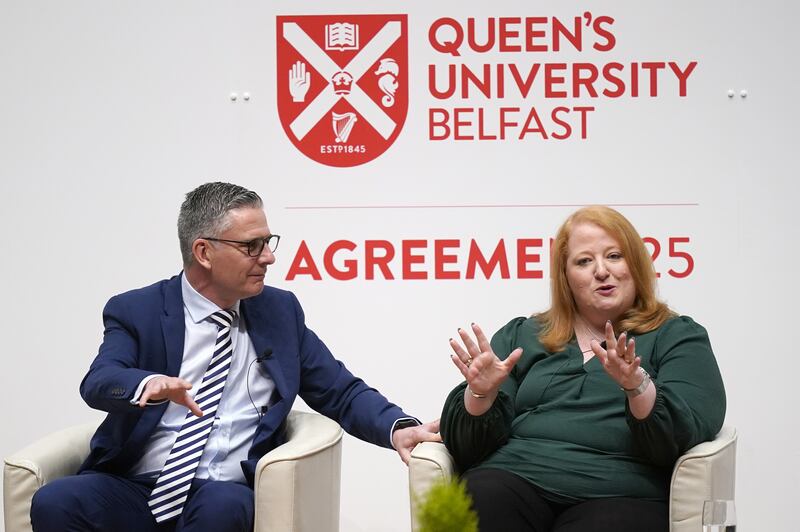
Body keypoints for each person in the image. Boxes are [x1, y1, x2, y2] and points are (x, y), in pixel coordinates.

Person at [30, 182, 440, 532]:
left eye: (268, 242)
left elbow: (340, 391)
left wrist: (397, 428)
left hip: (222, 490)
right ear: (204, 252)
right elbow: (100, 380)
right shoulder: (137, 309)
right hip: (138, 484)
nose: (269, 257)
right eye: (252, 246)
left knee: (221, 508)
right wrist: (147, 385)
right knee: (56, 500)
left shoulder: (279, 312)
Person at [442, 206, 725, 532]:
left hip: (621, 491)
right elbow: (465, 446)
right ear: (566, 277)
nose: (601, 271)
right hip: (516, 475)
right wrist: (480, 393)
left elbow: (692, 427)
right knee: (478, 498)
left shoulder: (676, 335)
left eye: (614, 256)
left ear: (635, 263)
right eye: (584, 261)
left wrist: (638, 388)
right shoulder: (524, 335)